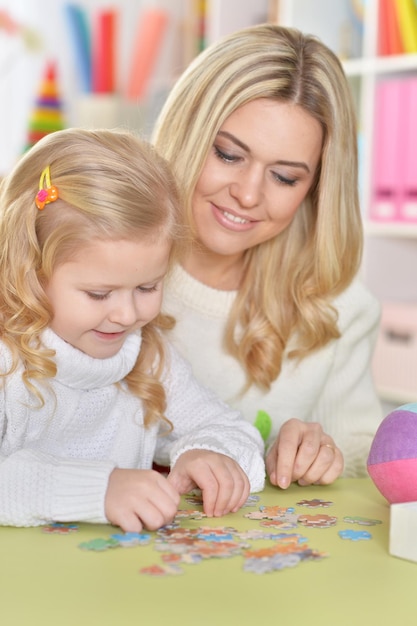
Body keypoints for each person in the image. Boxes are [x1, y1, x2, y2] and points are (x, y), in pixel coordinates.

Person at [152, 23, 382, 487]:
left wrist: (323, 452)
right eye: (228, 154)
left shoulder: (339, 310)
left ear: (315, 189)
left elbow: (367, 457)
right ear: (187, 133)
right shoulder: (93, 267)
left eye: (284, 178)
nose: (248, 194)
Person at [0, 127, 265, 530]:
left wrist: (208, 454)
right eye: (99, 293)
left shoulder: (146, 355)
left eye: (147, 287)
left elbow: (228, 428)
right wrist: (99, 491)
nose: (126, 315)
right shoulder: (9, 362)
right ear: (30, 274)